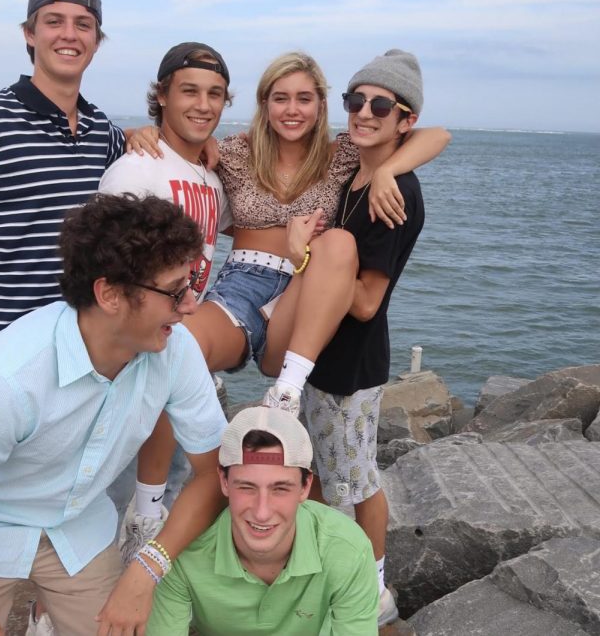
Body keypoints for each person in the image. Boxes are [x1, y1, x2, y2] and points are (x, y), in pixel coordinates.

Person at [131, 51, 450, 532]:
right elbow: (182, 141)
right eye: (280, 98)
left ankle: (284, 397)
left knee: (339, 243)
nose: (292, 109)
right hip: (244, 284)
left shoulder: (344, 154)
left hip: (310, 297)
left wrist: (387, 171)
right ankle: (148, 509)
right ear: (264, 104)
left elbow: (436, 135)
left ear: (322, 106)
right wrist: (145, 131)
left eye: (305, 98)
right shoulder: (233, 153)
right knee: (174, 349)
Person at [0, 193, 227, 636]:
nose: (191, 305)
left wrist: (144, 571)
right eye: (175, 291)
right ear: (110, 294)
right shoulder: (5, 377)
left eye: (192, 283)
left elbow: (210, 471)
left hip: (81, 531)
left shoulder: (175, 351)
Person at [262, 48, 431, 626]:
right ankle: (321, 570)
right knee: (327, 471)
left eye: (379, 105)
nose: (362, 112)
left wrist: (305, 257)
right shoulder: (358, 174)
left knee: (353, 481)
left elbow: (363, 302)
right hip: (320, 358)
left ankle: (372, 586)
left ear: (403, 120)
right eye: (354, 101)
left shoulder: (395, 193)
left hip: (349, 363)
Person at [0, 0, 144, 413]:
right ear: (30, 33)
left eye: (83, 24)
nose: (69, 35)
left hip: (73, 351)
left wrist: (201, 145)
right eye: (54, 21)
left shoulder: (103, 132)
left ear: (97, 40)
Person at [146, 405, 379, 635]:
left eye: (280, 489)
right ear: (224, 482)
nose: (262, 512)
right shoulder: (183, 548)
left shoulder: (347, 550)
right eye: (247, 487)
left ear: (306, 486)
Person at [99, 42, 233, 302]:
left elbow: (250, 226)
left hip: (182, 327)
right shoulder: (135, 170)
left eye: (214, 94)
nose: (204, 106)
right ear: (162, 95)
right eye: (190, 91)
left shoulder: (213, 177)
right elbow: (105, 271)